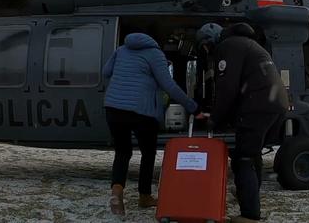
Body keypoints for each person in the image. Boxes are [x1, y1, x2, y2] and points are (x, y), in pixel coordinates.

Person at [196, 23, 289, 223]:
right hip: (276, 104)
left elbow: (227, 88)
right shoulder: (247, 44)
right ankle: (250, 198)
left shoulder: (226, 46)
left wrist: (214, 119)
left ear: (211, 40)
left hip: (257, 105)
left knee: (243, 158)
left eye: (205, 45)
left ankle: (249, 215)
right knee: (252, 154)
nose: (206, 50)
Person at [103, 32, 199, 216]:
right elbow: (168, 85)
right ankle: (144, 196)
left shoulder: (121, 50)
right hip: (141, 111)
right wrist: (192, 106)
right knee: (148, 153)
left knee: (122, 152)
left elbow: (105, 72)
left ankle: (117, 193)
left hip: (113, 108)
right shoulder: (155, 54)